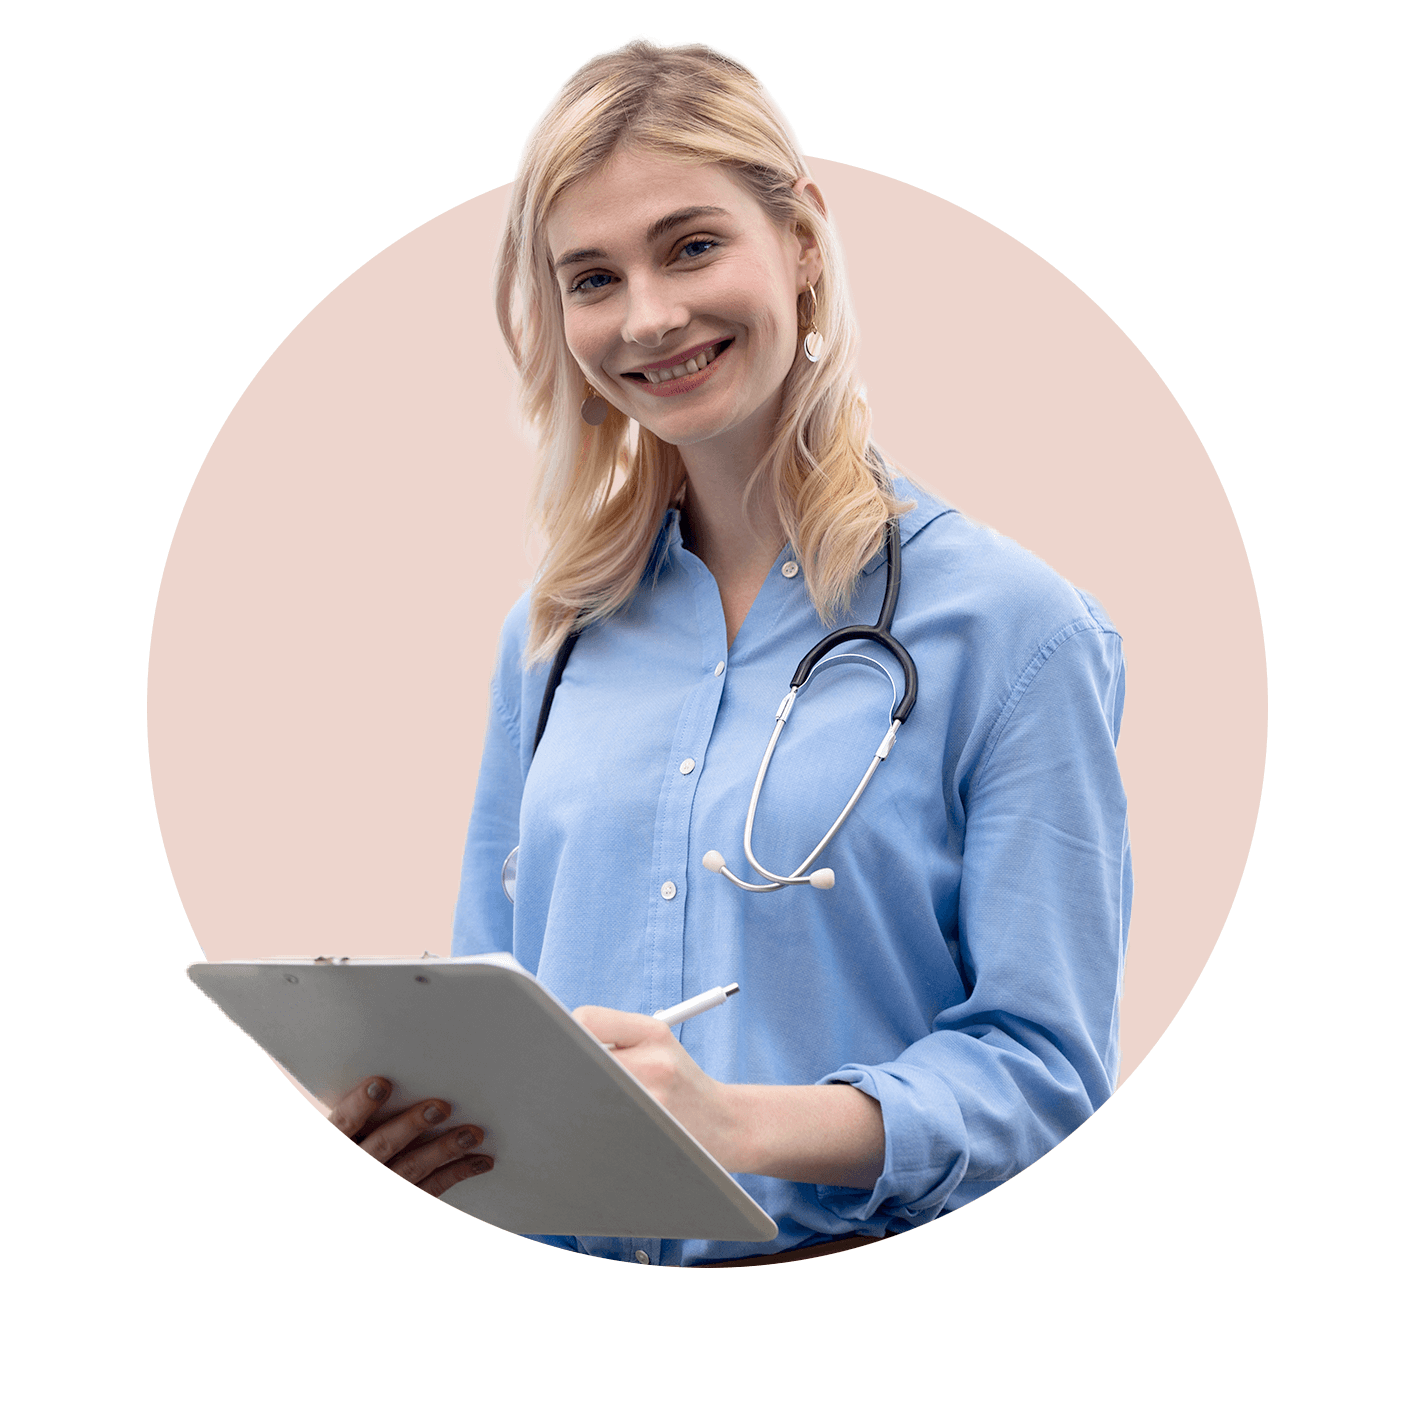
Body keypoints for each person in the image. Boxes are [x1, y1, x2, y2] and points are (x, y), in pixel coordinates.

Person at [325, 35, 1132, 1267]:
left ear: (802, 238)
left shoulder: (1015, 630)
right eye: (590, 277)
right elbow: (491, 1002)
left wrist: (733, 1120)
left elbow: (1046, 1075)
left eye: (691, 246)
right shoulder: (548, 635)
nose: (648, 316)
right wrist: (422, 1120)